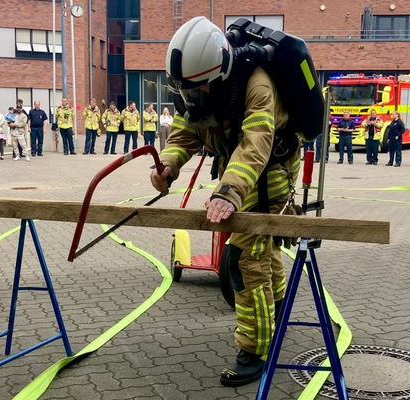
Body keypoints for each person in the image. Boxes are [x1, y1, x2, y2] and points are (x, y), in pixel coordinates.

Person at [150, 17, 301, 388]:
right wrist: (168, 165)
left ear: (218, 75)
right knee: (264, 250)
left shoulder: (256, 84)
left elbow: (256, 143)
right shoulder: (196, 88)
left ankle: (255, 350)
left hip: (271, 173)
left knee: (242, 259)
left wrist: (229, 191)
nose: (191, 97)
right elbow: (186, 131)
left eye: (197, 89)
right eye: (185, 91)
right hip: (241, 173)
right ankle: (277, 310)